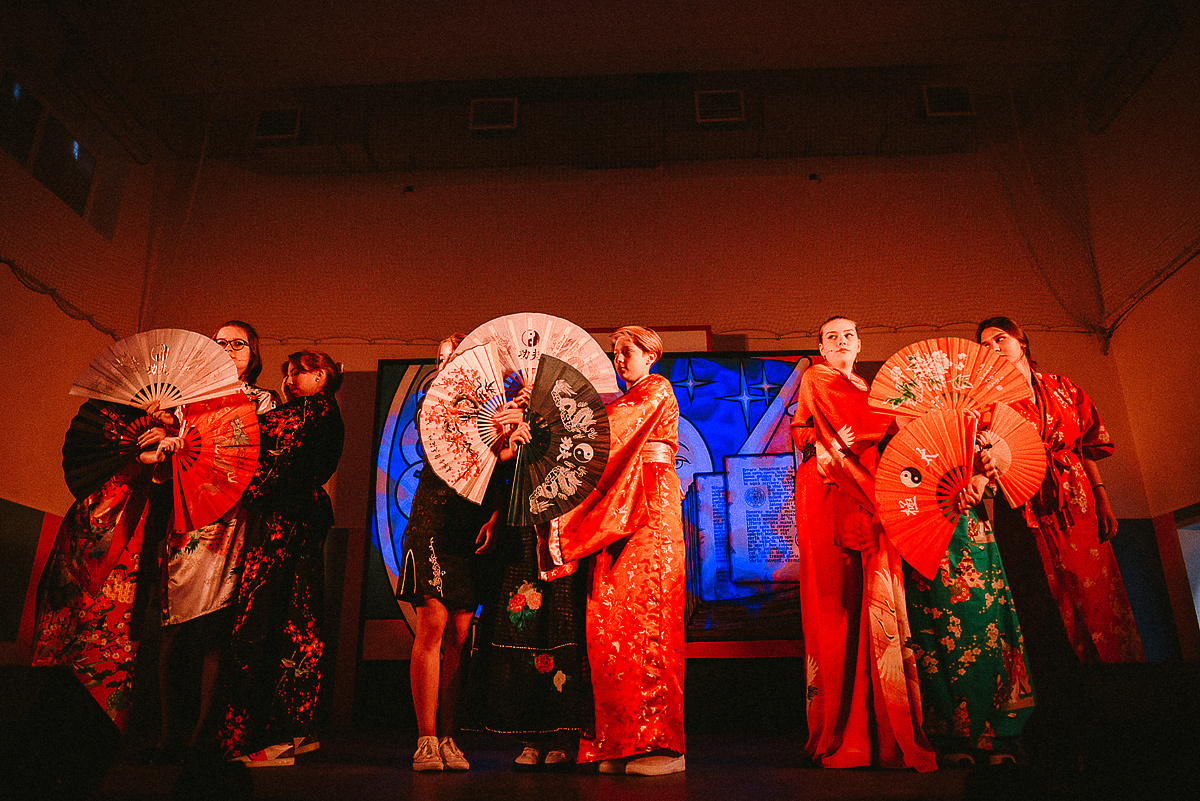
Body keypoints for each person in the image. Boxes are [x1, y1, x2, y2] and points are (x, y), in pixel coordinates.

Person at [790, 316, 936, 772]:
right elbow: (830, 427)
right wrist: (830, 441)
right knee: (836, 605)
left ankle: (878, 728)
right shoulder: (817, 376)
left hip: (869, 487)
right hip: (831, 487)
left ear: (859, 343)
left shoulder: (867, 385)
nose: (840, 342)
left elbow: (850, 427)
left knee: (872, 604)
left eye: (848, 335)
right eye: (830, 336)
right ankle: (840, 730)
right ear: (819, 345)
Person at [547, 325, 686, 776]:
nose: (619, 359)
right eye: (615, 352)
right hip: (619, 508)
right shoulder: (623, 400)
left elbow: (607, 429)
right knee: (610, 618)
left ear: (651, 356)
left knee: (650, 617)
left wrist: (555, 415)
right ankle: (618, 740)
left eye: (627, 351)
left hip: (650, 508)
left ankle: (661, 744)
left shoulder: (656, 390)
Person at [975, 317, 1143, 664]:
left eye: (999, 339)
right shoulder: (988, 404)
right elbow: (981, 460)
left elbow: (1084, 447)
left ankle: (1121, 678)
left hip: (1076, 495)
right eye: (985, 345)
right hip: (1021, 503)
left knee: (1098, 591)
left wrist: (1103, 498)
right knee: (1040, 599)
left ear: (1021, 342)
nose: (992, 347)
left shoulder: (1061, 386)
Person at [150, 322, 279, 762]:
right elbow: (169, 461)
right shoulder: (185, 403)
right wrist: (163, 440)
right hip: (185, 517)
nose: (228, 349)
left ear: (253, 353)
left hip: (232, 517)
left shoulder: (263, 401)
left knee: (215, 631)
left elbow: (260, 459)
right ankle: (167, 732)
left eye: (237, 343)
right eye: (220, 343)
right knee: (171, 628)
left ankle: (202, 735)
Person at [218, 350, 344, 766]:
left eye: (302, 373)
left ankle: (271, 737)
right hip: (296, 517)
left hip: (284, 519)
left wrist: (243, 489)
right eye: (289, 373)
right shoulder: (313, 413)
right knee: (299, 618)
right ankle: (297, 729)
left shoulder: (309, 412)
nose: (291, 380)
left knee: (267, 621)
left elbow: (273, 459)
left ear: (322, 377)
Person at [33, 401, 180, 730]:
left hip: (137, 531)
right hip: (95, 519)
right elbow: (95, 462)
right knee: (68, 618)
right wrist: (136, 454)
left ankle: (98, 723)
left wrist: (167, 444)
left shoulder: (183, 421)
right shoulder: (111, 414)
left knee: (118, 625)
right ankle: (49, 716)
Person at [462, 400, 591, 771]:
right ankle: (529, 735)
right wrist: (510, 447)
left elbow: (583, 475)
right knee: (521, 626)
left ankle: (563, 734)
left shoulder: (572, 418)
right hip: (520, 536)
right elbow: (500, 481)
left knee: (560, 625)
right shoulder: (510, 418)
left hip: (561, 533)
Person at [901, 422, 1035, 767]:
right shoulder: (901, 410)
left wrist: (983, 476)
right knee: (936, 629)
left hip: (970, 523)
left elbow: (1003, 457)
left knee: (986, 619)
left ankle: (998, 733)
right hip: (925, 522)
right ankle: (948, 735)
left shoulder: (978, 411)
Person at [396, 334, 494, 772]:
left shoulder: (493, 405)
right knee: (432, 623)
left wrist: (515, 425)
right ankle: (426, 737)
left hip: (470, 523)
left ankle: (450, 734)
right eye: (439, 358)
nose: (444, 362)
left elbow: (502, 466)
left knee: (459, 632)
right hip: (433, 519)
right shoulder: (431, 403)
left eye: (452, 355)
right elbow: (447, 454)